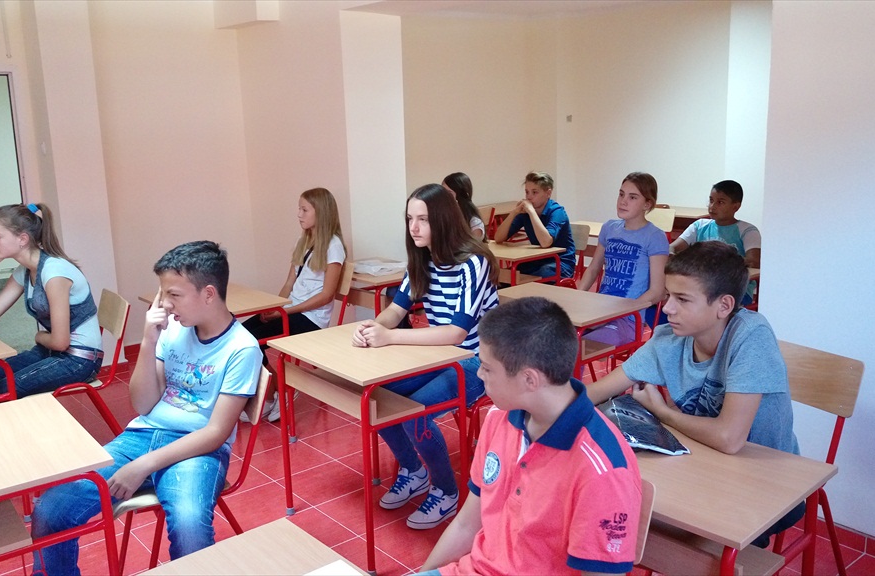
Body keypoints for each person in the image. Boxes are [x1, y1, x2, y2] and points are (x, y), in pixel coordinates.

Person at [31, 241, 263, 574]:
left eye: (174, 295)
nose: (165, 304)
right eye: (162, 294)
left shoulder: (242, 348)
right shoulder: (174, 330)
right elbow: (142, 403)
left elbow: (215, 433)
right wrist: (149, 339)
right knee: (51, 509)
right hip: (142, 437)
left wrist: (144, 465)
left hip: (198, 450)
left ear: (209, 294)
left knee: (190, 527)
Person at [586, 241, 801, 547]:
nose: (667, 308)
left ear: (723, 306)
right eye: (668, 295)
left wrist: (663, 413)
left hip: (768, 483)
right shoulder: (670, 338)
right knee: (619, 513)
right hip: (704, 469)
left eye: (683, 299)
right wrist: (540, 405)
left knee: (660, 536)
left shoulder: (751, 336)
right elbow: (596, 391)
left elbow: (729, 438)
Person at [421, 296, 642, 576]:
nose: (480, 374)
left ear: (529, 379)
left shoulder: (602, 471)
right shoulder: (498, 419)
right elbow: (466, 524)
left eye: (487, 368)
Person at [353, 184, 499, 530]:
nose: (414, 227)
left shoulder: (473, 262)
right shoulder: (422, 258)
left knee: (414, 415)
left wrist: (391, 337)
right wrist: (374, 327)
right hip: (439, 355)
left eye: (423, 219)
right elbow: (396, 309)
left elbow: (457, 333)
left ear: (444, 220)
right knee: (379, 397)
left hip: (480, 361)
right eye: (409, 219)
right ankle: (413, 470)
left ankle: (446, 492)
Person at [0, 203, 102, 400]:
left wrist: (39, 336)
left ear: (22, 239)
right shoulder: (25, 271)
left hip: (79, 360)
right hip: (52, 351)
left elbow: (60, 342)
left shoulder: (54, 273)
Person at [241, 187, 346, 421]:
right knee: (241, 336)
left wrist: (285, 312)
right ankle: (274, 392)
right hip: (290, 310)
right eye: (299, 209)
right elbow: (289, 282)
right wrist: (275, 308)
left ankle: (275, 393)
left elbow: (326, 295)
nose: (299, 214)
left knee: (251, 342)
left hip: (311, 318)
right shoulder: (304, 240)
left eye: (304, 209)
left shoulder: (333, 246)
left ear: (321, 212)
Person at [576, 172, 668, 347]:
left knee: (580, 347)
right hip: (599, 311)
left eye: (632, 197)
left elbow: (657, 291)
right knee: (556, 337)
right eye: (621, 194)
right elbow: (594, 269)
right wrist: (577, 297)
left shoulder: (655, 236)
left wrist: (621, 310)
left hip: (628, 320)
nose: (623, 201)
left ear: (647, 204)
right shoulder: (609, 228)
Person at [492, 171, 577, 280]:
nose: (529, 197)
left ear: (548, 193)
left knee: (542, 274)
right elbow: (498, 238)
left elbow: (546, 242)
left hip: (560, 262)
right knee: (505, 276)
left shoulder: (557, 212)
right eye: (527, 192)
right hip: (537, 260)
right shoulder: (525, 213)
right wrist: (514, 212)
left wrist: (532, 212)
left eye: (534, 192)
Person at [671, 180, 761, 268]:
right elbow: (673, 247)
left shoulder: (747, 230)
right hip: (702, 277)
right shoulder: (699, 226)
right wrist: (670, 253)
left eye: (720, 202)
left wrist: (715, 260)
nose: (712, 206)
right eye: (711, 200)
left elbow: (754, 261)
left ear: (735, 207)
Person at [442, 172, 485, 240]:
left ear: (461, 195)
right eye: (443, 191)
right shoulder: (443, 214)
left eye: (449, 193)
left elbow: (473, 245)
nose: (444, 196)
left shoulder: (474, 222)